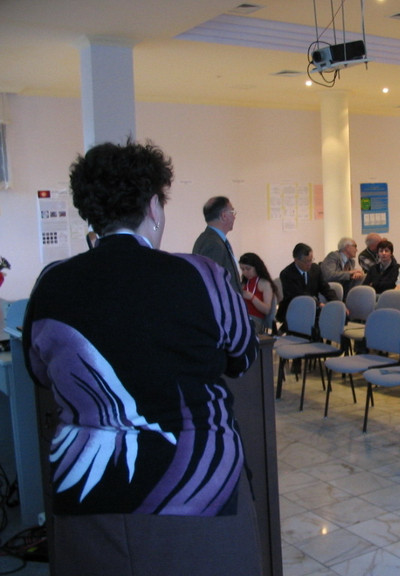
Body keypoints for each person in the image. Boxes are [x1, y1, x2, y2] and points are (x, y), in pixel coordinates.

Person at [21, 140, 260, 576]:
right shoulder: (202, 275)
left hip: (89, 494)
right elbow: (242, 358)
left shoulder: (52, 283)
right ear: (153, 205)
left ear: (90, 212)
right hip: (199, 488)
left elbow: (40, 372)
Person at [277, 242, 338, 325]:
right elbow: (298, 294)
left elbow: (325, 288)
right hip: (294, 310)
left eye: (311, 260)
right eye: (306, 261)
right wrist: (318, 304)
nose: (310, 264)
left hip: (314, 309)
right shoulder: (286, 274)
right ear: (296, 260)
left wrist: (337, 303)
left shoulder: (315, 269)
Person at [192, 196, 241, 294]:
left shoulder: (211, 239)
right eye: (232, 212)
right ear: (224, 216)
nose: (234, 217)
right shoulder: (213, 244)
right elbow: (212, 284)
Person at [239, 252, 277, 334]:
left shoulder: (265, 284)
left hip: (255, 320)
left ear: (256, 267)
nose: (245, 272)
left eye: (248, 269)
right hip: (241, 317)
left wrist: (252, 297)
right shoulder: (243, 284)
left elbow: (266, 310)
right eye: (242, 269)